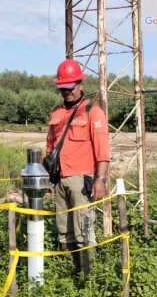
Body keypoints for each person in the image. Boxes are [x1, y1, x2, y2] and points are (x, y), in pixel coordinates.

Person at [46, 60, 110, 275]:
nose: (66, 92)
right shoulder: (56, 113)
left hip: (81, 181)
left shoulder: (92, 111)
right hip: (59, 181)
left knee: (83, 230)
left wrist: (100, 179)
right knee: (64, 231)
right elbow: (50, 147)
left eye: (70, 88)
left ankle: (88, 276)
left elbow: (103, 150)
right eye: (62, 88)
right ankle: (71, 273)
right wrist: (48, 178)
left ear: (80, 84)